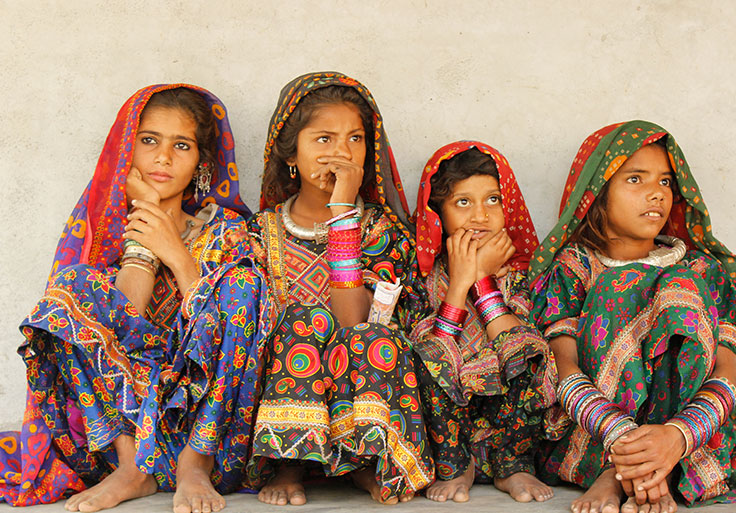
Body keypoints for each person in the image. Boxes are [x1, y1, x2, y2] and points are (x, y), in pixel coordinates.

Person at [530, 120, 736, 513]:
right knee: (615, 287)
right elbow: (564, 368)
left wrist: (675, 437)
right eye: (635, 179)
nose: (656, 194)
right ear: (597, 193)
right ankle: (625, 471)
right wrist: (626, 444)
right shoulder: (573, 270)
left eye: (666, 182)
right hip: (594, 435)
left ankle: (659, 468)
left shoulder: (703, 271)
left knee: (683, 286)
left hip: (688, 438)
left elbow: (727, 373)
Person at [17, 84, 263, 513]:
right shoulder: (103, 234)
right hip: (124, 429)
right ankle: (133, 469)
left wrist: (176, 250)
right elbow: (124, 320)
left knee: (244, 286)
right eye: (149, 141)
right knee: (71, 288)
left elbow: (232, 332)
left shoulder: (227, 229)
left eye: (181, 145)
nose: (163, 157)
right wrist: (145, 230)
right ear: (127, 150)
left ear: (202, 162)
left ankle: (193, 465)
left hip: (217, 437)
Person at [242, 72, 434, 506]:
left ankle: (367, 462)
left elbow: (355, 321)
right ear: (292, 153)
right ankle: (290, 461)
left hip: (361, 370)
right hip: (283, 377)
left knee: (369, 335)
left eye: (355, 139)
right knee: (301, 320)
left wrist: (343, 214)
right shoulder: (260, 232)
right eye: (324, 139)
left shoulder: (381, 231)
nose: (341, 153)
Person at [410, 141, 557, 503]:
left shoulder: (523, 274)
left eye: (493, 199)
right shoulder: (421, 279)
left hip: (507, 427)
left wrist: (484, 282)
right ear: (437, 212)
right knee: (422, 354)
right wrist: (460, 284)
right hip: (446, 435)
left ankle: (514, 464)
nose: (481, 215)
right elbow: (430, 356)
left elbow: (523, 351)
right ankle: (457, 465)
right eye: (463, 202)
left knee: (529, 348)